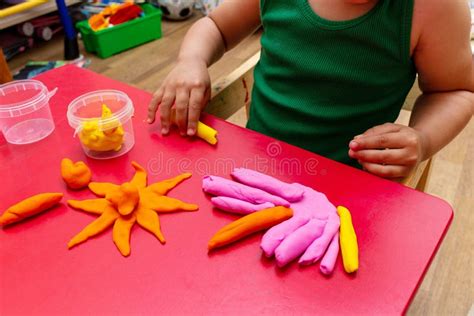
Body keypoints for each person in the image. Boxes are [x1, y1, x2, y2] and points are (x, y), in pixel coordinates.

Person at [147, 0, 473, 178]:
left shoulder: (433, 8)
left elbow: (456, 89)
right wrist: (191, 60)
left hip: (353, 193)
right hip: (258, 171)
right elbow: (216, 26)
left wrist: (423, 139)